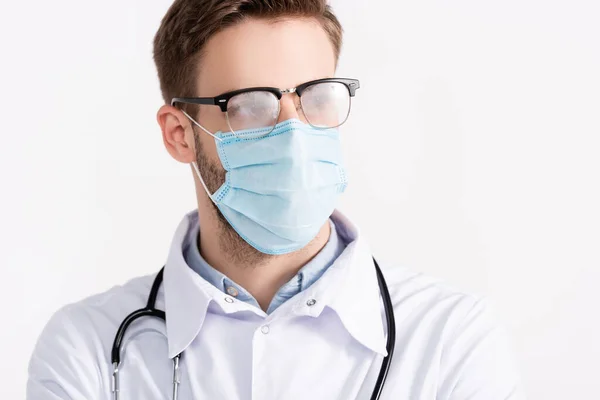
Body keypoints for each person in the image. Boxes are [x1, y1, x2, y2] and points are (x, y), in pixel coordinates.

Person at [26, 0, 524, 399]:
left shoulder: (451, 341)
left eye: (317, 96)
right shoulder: (86, 351)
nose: (294, 133)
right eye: (248, 106)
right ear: (180, 134)